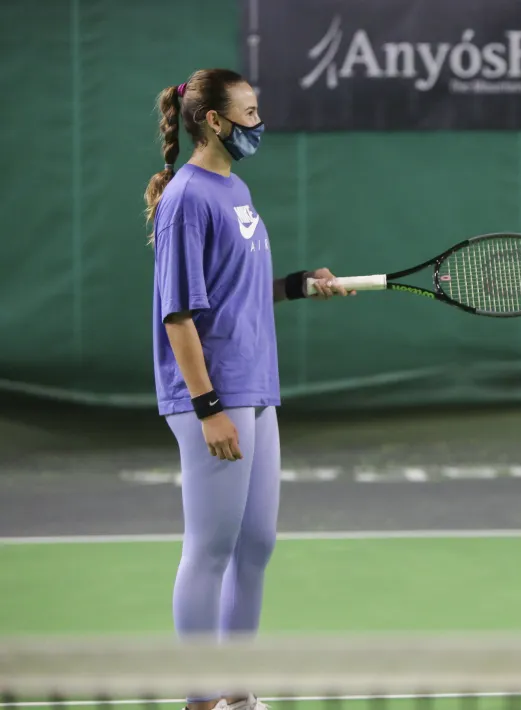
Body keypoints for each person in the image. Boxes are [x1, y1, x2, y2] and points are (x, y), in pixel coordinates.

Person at [143, 68, 355, 710]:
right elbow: (178, 315)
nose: (259, 123)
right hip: (215, 392)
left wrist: (297, 285)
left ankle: (238, 692)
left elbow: (234, 293)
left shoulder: (235, 189)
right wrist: (209, 409)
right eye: (250, 112)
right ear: (214, 120)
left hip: (258, 386)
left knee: (255, 545)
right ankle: (202, 699)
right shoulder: (187, 198)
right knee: (210, 548)